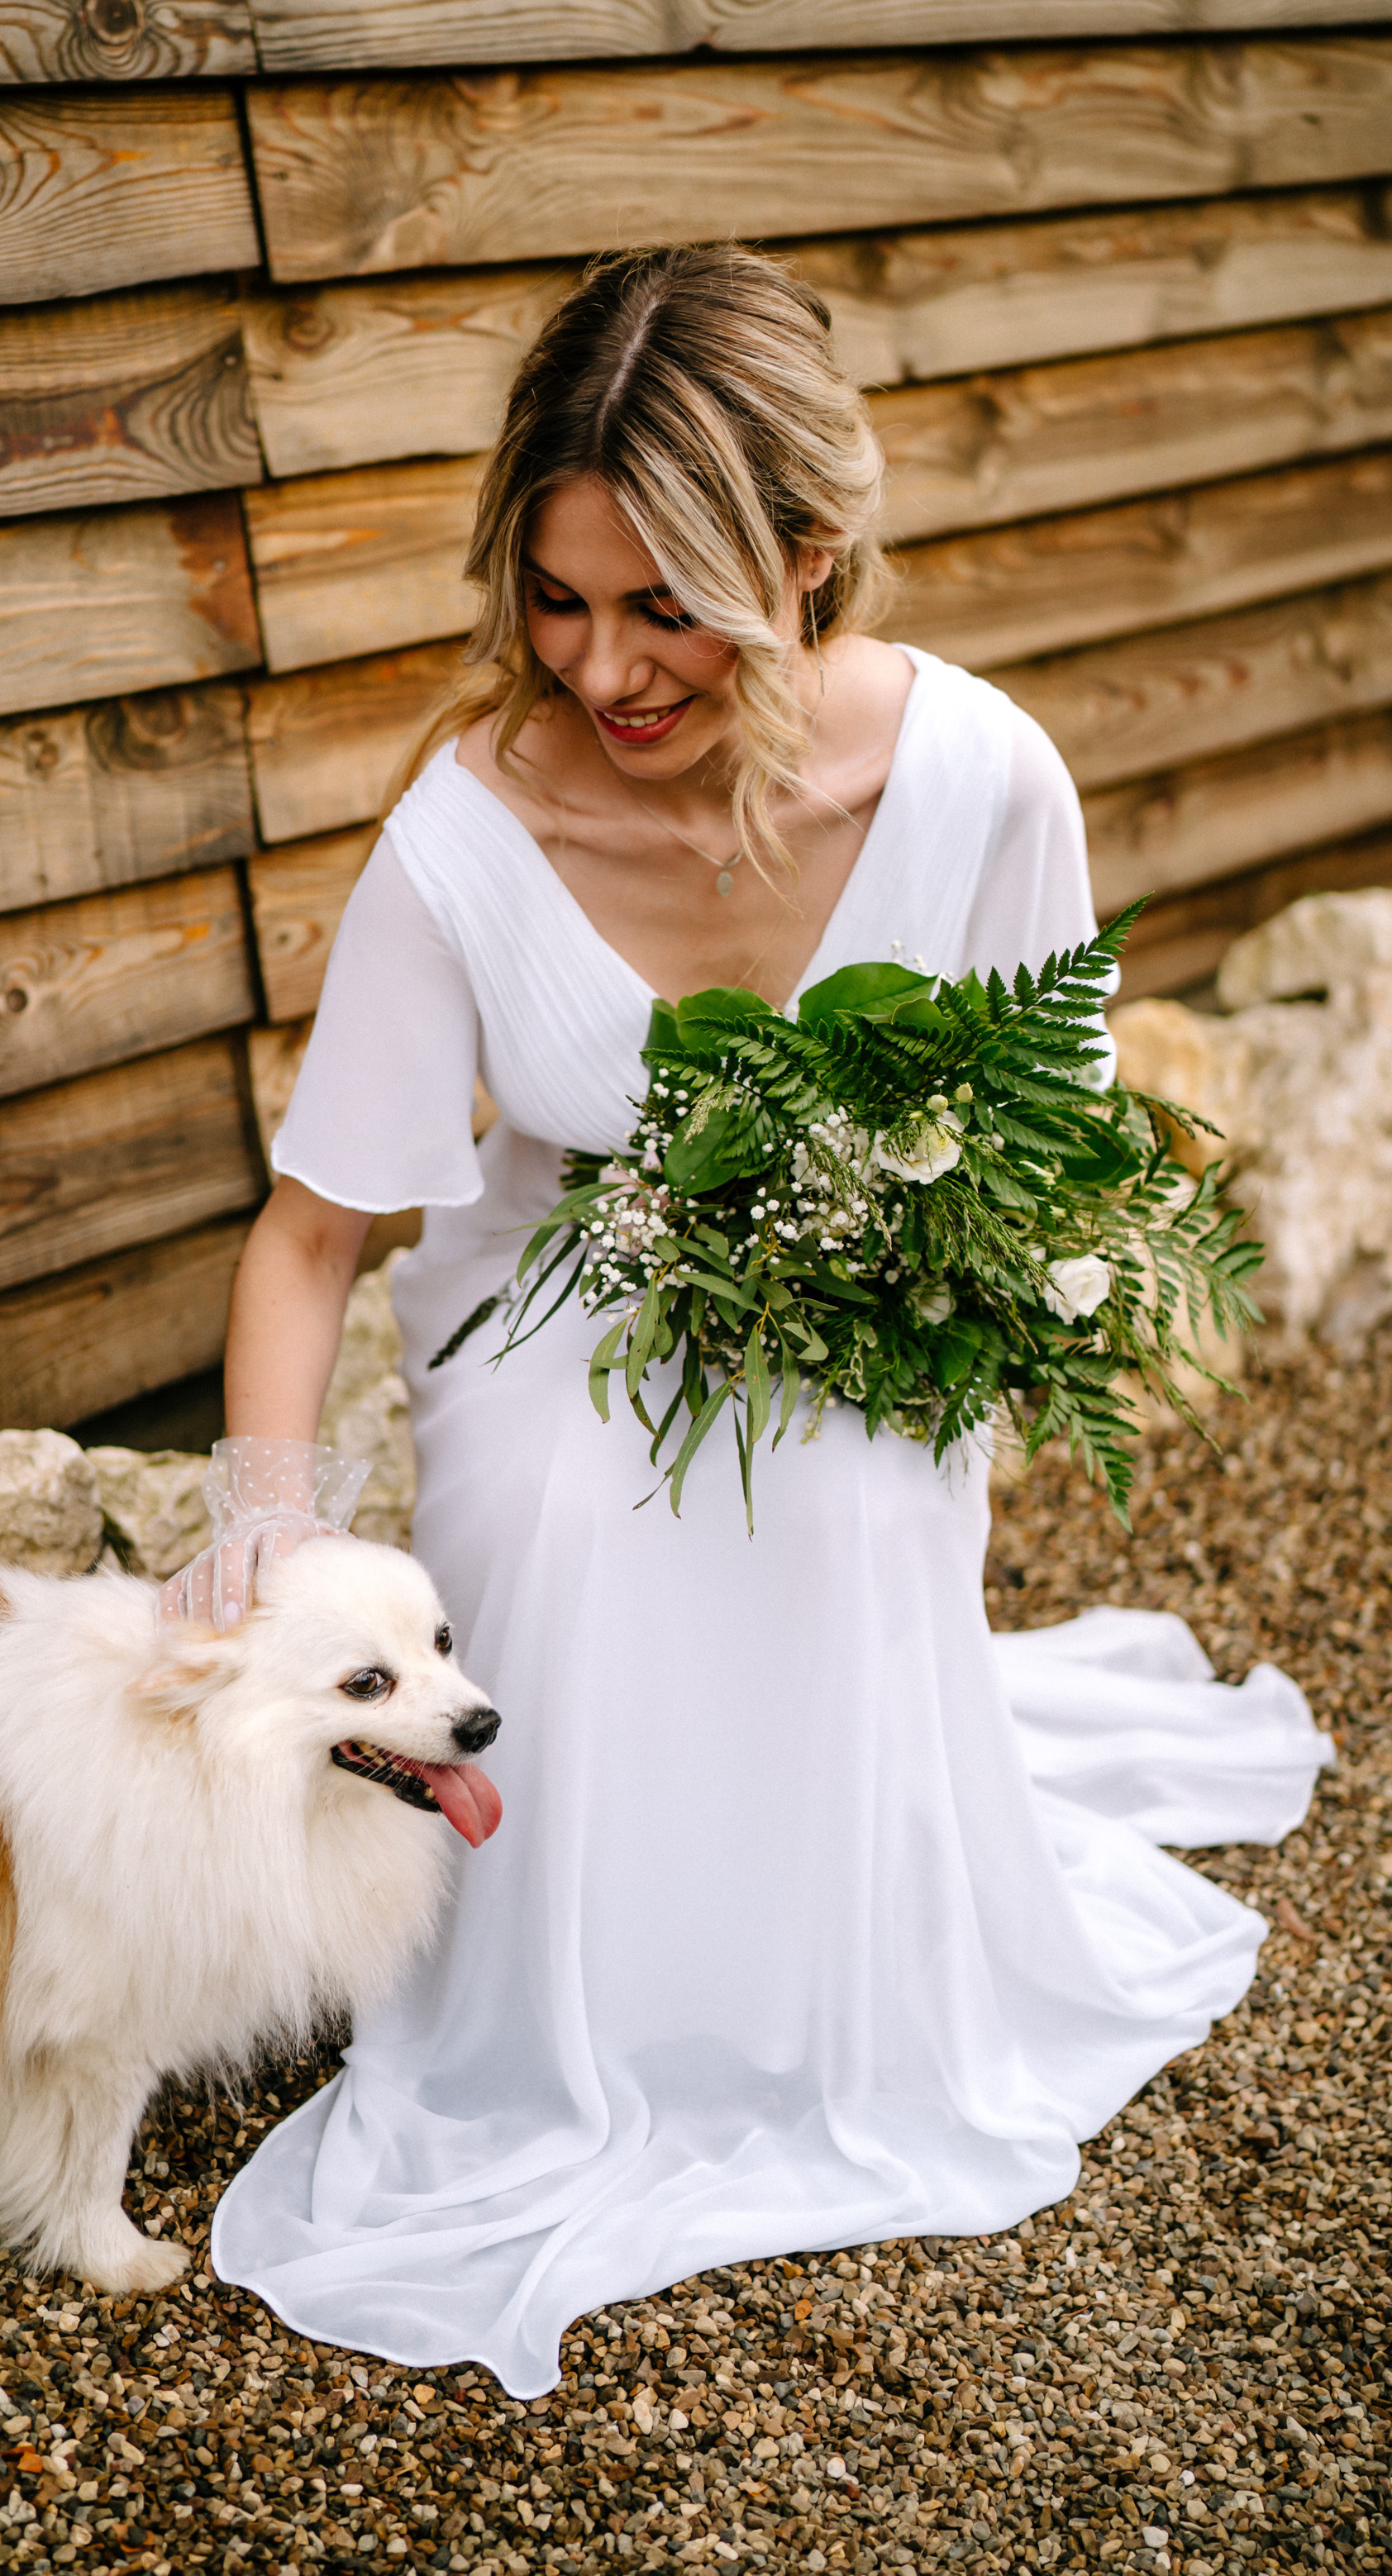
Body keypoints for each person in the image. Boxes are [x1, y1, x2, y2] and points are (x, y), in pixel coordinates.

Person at [197, 245, 1332, 2397]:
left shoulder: (988, 786)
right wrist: (264, 1518)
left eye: (664, 607)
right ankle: (572, 2006)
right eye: (554, 596)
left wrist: (930, 1309)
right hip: (559, 1287)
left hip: (857, 1287)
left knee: (836, 1494)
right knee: (545, 1503)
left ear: (810, 563)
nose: (599, 666)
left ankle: (821, 1967)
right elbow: (311, 1238)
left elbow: (1042, 1174)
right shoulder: (468, 831)